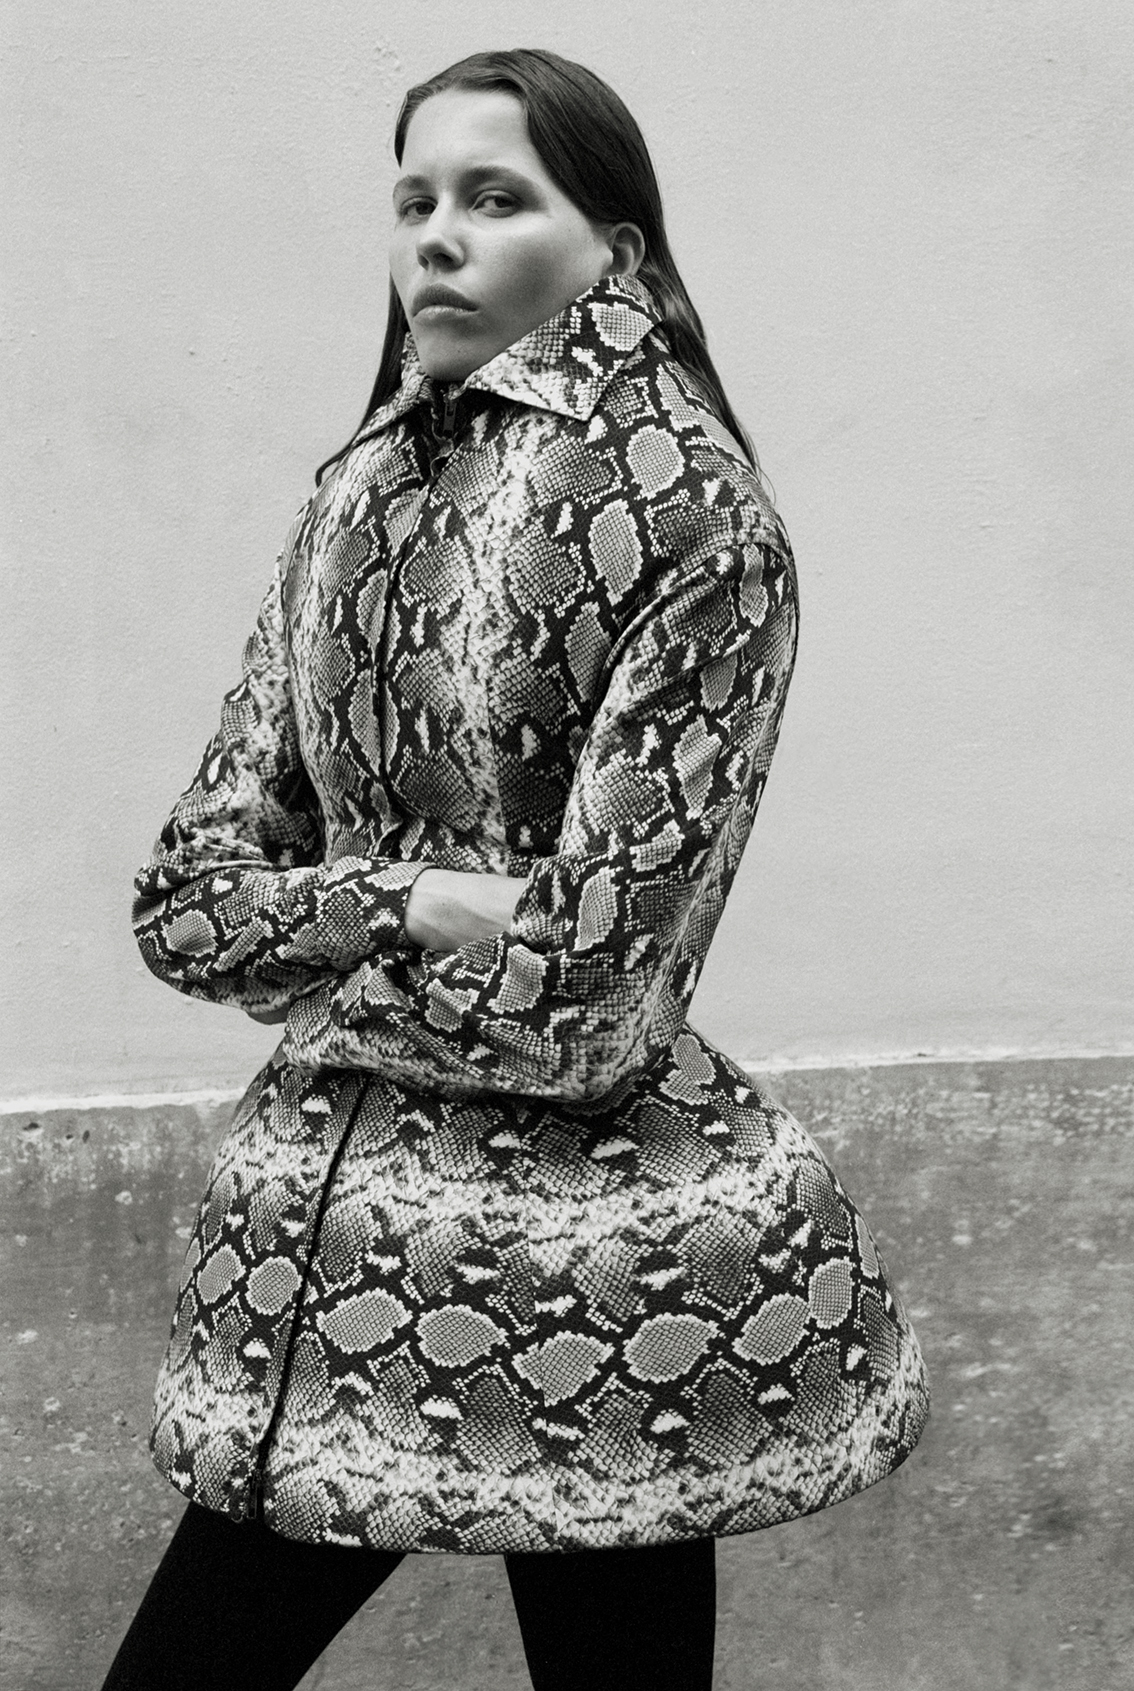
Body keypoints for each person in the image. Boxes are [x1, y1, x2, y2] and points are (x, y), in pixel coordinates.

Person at [101, 47, 929, 1691]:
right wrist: (407, 901)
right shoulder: (352, 494)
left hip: (600, 1268)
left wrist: (316, 967)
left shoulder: (696, 520)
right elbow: (183, 907)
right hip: (321, 1253)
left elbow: (587, 1005)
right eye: (413, 198)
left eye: (494, 196)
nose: (436, 235)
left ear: (614, 245)